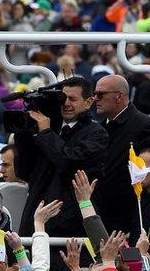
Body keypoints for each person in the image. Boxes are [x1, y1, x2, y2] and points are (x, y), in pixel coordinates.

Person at [15, 76, 108, 237]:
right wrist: (24, 133)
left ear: (88, 102)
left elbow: (68, 161)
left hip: (70, 224)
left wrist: (45, 133)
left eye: (73, 99)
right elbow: (24, 171)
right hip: (37, 214)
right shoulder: (49, 127)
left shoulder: (96, 133)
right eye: (64, 98)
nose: (66, 104)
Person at [93, 74, 150, 239]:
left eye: (101, 94)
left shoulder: (143, 125)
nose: (95, 98)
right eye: (94, 93)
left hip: (126, 219)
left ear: (119, 96)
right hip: (102, 213)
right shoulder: (100, 127)